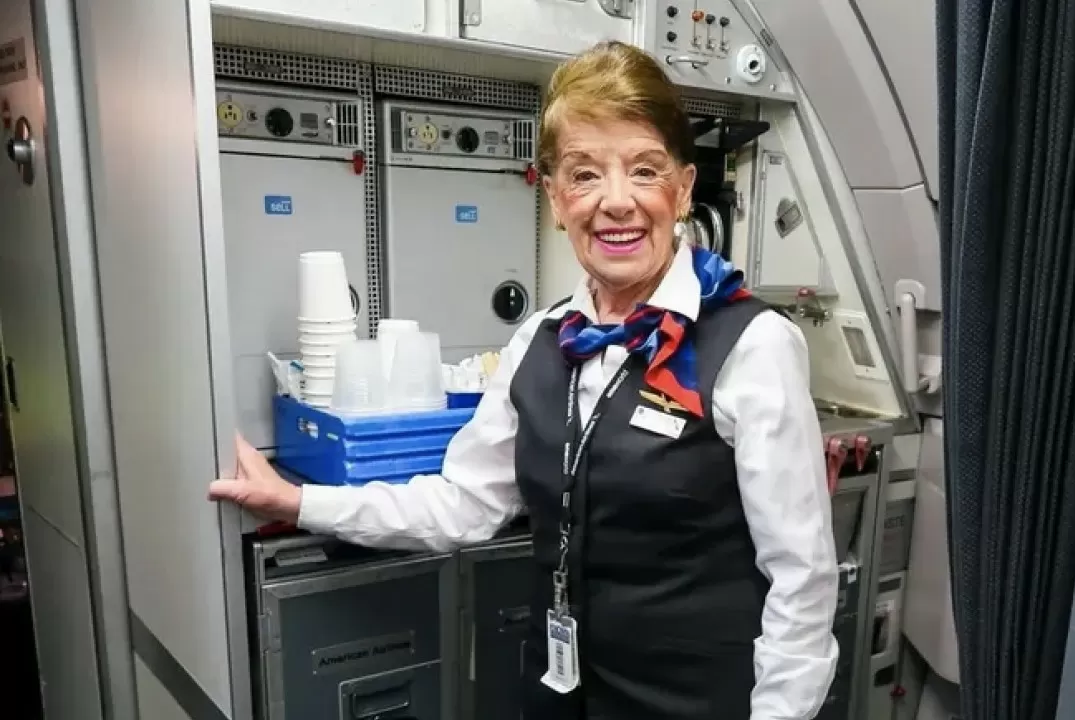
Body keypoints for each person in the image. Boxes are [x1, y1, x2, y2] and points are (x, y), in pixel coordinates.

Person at [210, 40, 839, 720]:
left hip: (699, 704)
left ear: (684, 189)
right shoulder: (540, 341)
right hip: (560, 691)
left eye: (644, 170)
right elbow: (462, 504)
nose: (617, 202)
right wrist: (299, 501)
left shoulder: (752, 344)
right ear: (555, 199)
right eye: (585, 174)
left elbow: (801, 581)